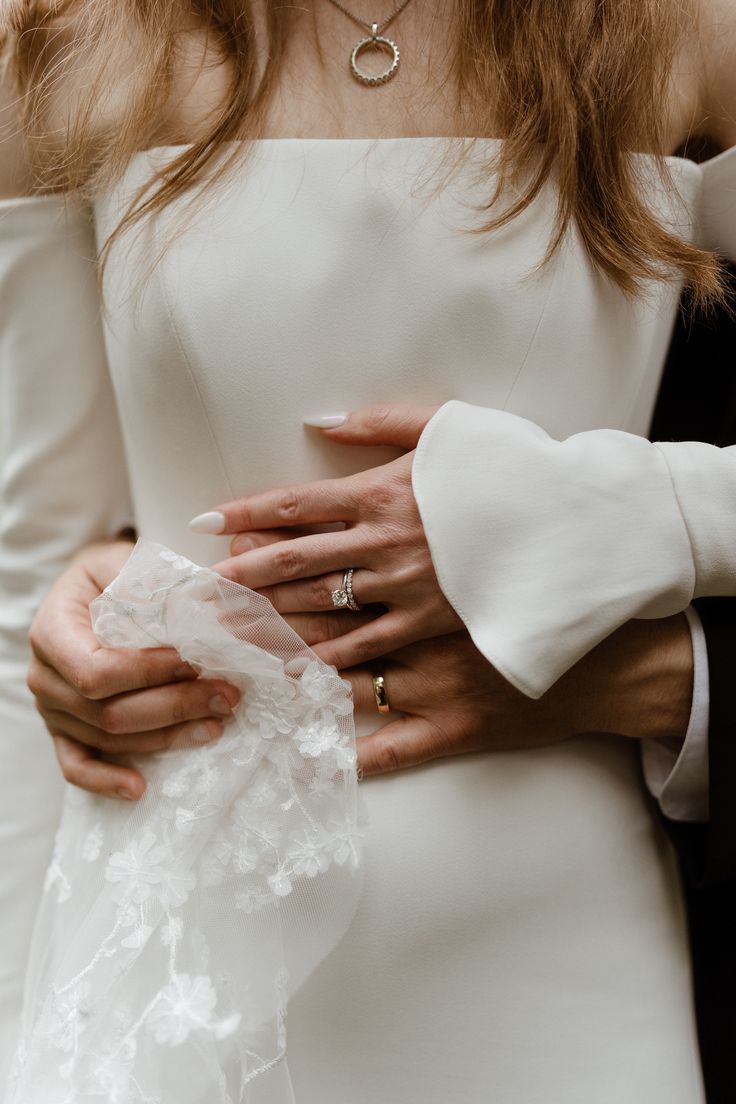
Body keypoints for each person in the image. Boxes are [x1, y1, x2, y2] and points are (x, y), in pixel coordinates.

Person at [1, 1, 735, 1100]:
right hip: (177, 952)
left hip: (564, 946)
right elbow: (31, 586)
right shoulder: (68, 31)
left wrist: (643, 513)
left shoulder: (684, 28)